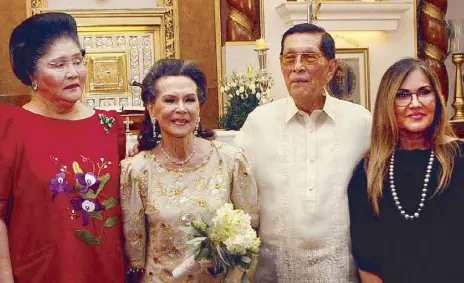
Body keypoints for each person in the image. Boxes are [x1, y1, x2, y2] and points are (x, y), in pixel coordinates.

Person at [233, 23, 372, 282]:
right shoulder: (259, 122)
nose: (297, 67)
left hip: (340, 269)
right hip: (274, 270)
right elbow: (231, 180)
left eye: (308, 57)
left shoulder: (360, 122)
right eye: (289, 58)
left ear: (331, 68)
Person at [0, 13, 126, 283]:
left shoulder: (108, 125)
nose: (73, 73)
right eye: (58, 64)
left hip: (104, 270)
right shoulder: (10, 127)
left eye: (78, 61)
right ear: (31, 73)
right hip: (40, 271)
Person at [120, 58, 259, 283]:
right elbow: (135, 256)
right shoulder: (136, 171)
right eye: (170, 100)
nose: (181, 109)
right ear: (151, 108)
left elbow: (250, 235)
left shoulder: (230, 161)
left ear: (199, 106)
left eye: (190, 100)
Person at [348, 58, 464, 283]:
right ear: (387, 103)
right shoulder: (368, 172)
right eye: (402, 95)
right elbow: (366, 259)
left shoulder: (459, 158)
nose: (415, 103)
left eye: (424, 92)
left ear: (437, 100)